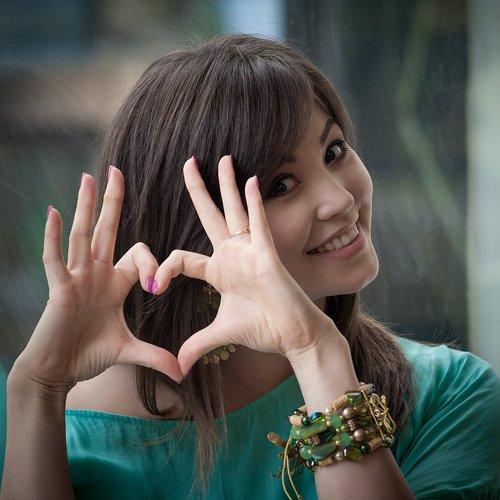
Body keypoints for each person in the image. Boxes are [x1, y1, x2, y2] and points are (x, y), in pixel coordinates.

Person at [1, 33, 499, 500]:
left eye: (334, 150)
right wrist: (35, 392)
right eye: (281, 185)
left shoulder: (451, 397)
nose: (341, 199)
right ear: (190, 237)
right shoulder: (52, 434)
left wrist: (317, 353)